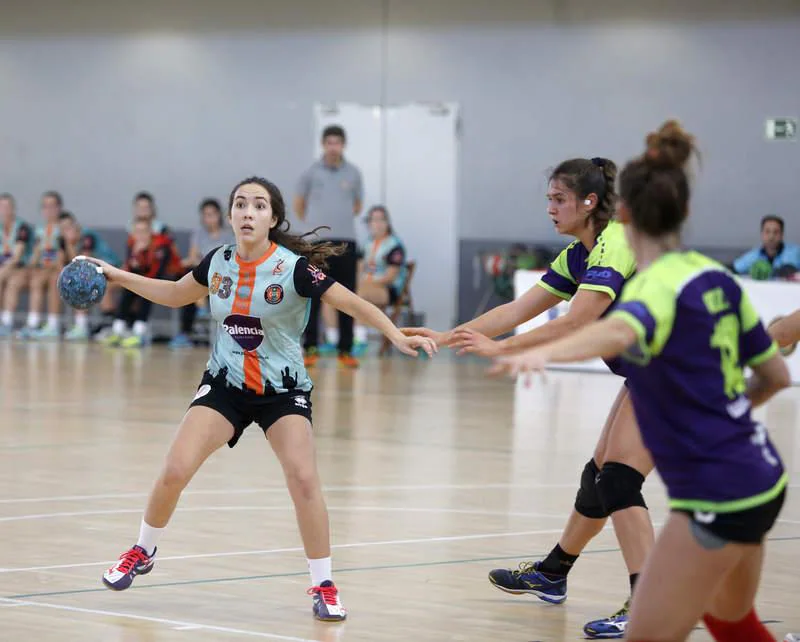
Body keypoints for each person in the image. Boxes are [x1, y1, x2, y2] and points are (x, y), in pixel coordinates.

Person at [490, 121, 790, 642]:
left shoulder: (652, 285)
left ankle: (609, 591)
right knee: (732, 623)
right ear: (687, 214)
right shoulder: (715, 276)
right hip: (762, 474)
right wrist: (721, 412)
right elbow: (776, 374)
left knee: (650, 629)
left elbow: (611, 330)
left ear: (620, 214)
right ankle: (555, 569)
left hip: (716, 492)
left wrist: (538, 353)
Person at [91, 176, 435, 621]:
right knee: (175, 467)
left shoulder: (292, 268)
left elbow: (350, 303)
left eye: (257, 206)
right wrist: (116, 276)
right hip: (225, 386)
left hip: (282, 392)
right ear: (231, 216)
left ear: (273, 218)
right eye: (240, 204)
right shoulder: (218, 262)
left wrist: (394, 333)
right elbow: (176, 294)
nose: (247, 212)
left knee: (305, 480)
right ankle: (143, 549)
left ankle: (323, 583)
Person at [403, 157, 655, 638]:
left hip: (677, 372)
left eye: (559, 199)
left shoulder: (616, 241)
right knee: (600, 475)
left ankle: (648, 600)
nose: (550, 209)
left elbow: (578, 321)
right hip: (646, 374)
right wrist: (446, 335)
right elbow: (518, 308)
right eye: (549, 199)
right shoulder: (578, 255)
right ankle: (554, 572)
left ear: (590, 202)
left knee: (620, 481)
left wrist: (501, 349)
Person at [294, 125, 363, 368]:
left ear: (343, 145)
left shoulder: (354, 173)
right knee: (313, 295)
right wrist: (317, 224)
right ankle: (310, 347)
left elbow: (357, 205)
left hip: (346, 242)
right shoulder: (310, 173)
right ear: (323, 144)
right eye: (329, 142)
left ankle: (346, 349)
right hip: (317, 244)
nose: (333, 147)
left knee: (347, 297)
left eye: (338, 142)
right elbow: (299, 204)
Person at [170, 198, 235, 348]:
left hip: (222, 276)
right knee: (186, 279)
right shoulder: (198, 234)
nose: (209, 218)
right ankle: (188, 327)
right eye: (206, 215)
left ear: (219, 215)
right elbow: (193, 257)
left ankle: (199, 306)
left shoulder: (229, 235)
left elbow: (231, 259)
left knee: (191, 289)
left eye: (212, 214)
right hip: (202, 273)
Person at [102, 219, 176, 348]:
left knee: (147, 291)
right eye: (137, 232)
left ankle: (139, 331)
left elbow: (157, 272)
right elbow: (131, 270)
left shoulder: (161, 245)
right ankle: (118, 328)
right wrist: (136, 255)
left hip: (167, 278)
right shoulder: (132, 243)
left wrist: (142, 263)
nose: (140, 235)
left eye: (144, 231)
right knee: (128, 288)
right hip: (142, 277)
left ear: (150, 233)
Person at [58, 212, 122, 340]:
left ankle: (107, 326)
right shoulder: (62, 240)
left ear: (76, 226)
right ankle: (81, 325)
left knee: (88, 283)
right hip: (95, 272)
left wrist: (70, 245)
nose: (67, 231)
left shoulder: (87, 236)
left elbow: (81, 264)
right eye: (63, 229)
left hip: (113, 270)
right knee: (75, 282)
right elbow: (62, 266)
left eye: (69, 227)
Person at [352, 205, 408, 347]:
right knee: (338, 293)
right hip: (366, 285)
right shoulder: (366, 244)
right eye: (373, 220)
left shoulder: (394, 245)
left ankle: (360, 339)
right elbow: (358, 270)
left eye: (380, 219)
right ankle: (333, 338)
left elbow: (390, 277)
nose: (376, 223)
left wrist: (366, 283)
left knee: (358, 295)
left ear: (387, 222)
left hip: (388, 289)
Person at [20, 191, 65, 339]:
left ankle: (53, 325)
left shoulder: (64, 227)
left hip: (60, 269)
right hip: (42, 269)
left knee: (55, 280)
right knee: (36, 279)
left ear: (59, 208)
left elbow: (67, 256)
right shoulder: (38, 231)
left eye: (53, 206)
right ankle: (33, 323)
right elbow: (33, 260)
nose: (49, 210)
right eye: (46, 206)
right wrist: (36, 254)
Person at [0, 194, 34, 337]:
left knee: (12, 281)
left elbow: (17, 256)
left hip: (22, 268)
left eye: (7, 207)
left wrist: (3, 270)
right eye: (1, 207)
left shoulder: (22, 227)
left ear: (13, 209)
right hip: (3, 268)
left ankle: (7, 323)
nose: (4, 210)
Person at [732, 215, 800, 280]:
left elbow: (790, 271)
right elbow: (732, 269)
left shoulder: (795, 252)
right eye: (767, 232)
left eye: (776, 232)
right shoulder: (753, 255)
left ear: (782, 234)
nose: (771, 237)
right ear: (762, 234)